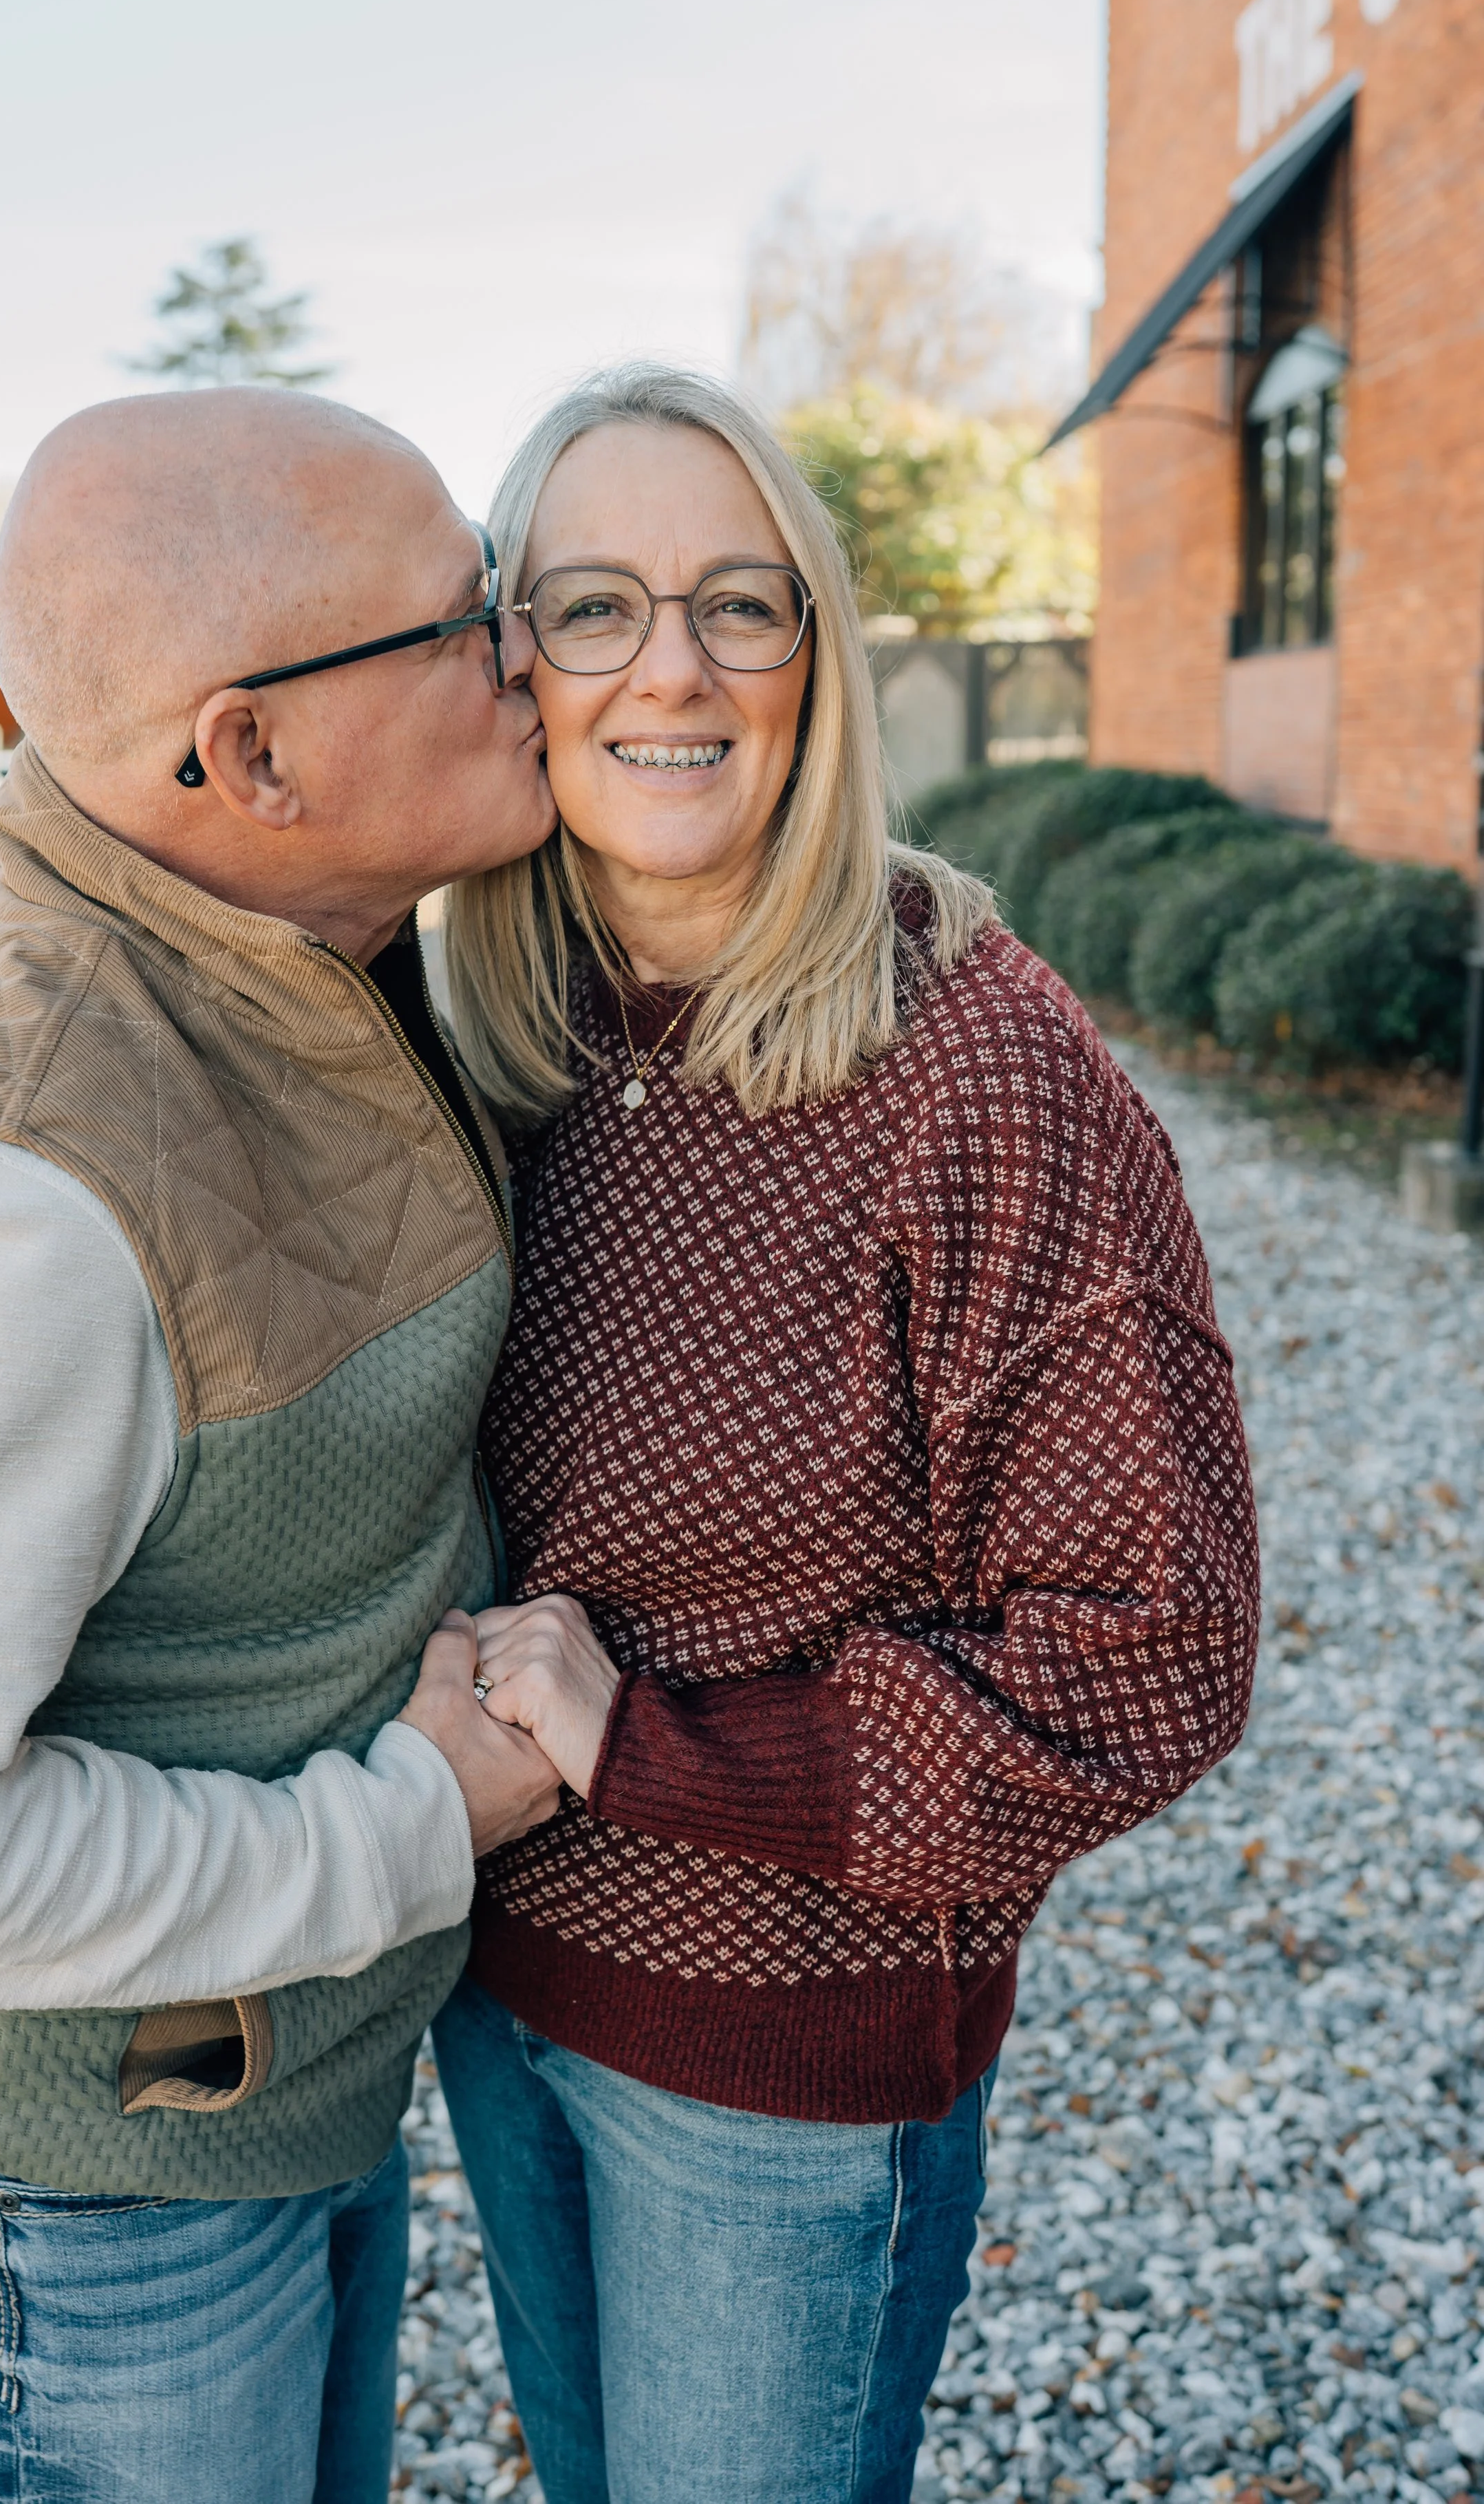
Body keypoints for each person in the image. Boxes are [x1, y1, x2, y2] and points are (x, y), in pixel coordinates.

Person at [432, 361, 1260, 2504]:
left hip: (779, 2072)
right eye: (594, 605)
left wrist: (666, 1748)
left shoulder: (974, 1072)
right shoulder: (484, 1035)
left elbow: (1152, 1644)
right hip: (483, 1985)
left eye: (742, 601)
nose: (672, 669)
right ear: (507, 653)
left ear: (816, 652)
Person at [0, 386, 564, 2504]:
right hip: (89, 2168)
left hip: (256, 2061)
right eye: (462, 616)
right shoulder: (13, 1203)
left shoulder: (303, 950)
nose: (527, 647)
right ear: (252, 754)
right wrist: (406, 1830)